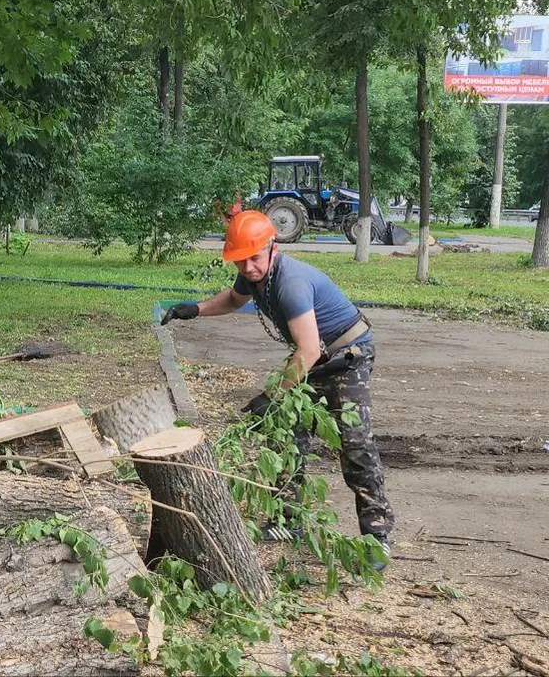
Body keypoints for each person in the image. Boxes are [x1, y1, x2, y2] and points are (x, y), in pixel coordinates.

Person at [161, 210, 394, 569]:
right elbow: (234, 300)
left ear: (272, 247)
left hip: (347, 357)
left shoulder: (291, 284)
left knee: (354, 444)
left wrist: (273, 395)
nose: (248, 268)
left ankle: (377, 538)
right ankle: (288, 521)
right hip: (314, 356)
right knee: (286, 438)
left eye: (254, 258)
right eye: (240, 261)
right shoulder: (255, 276)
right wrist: (194, 309)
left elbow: (309, 350)